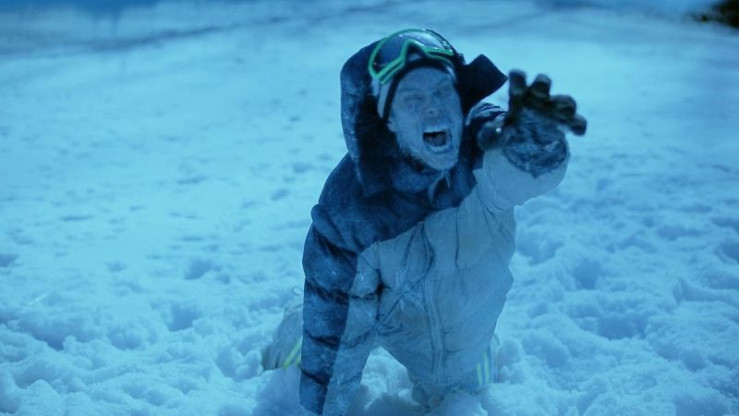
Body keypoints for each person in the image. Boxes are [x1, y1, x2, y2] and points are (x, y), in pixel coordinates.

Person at [262, 28, 586, 416]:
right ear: (388, 120)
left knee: (470, 388)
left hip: (456, 326)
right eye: (412, 99)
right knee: (309, 354)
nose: (432, 108)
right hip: (360, 307)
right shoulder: (351, 207)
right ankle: (296, 325)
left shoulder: (485, 149)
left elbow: (519, 169)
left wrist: (536, 143)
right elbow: (335, 324)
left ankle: (470, 355)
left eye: (441, 92)